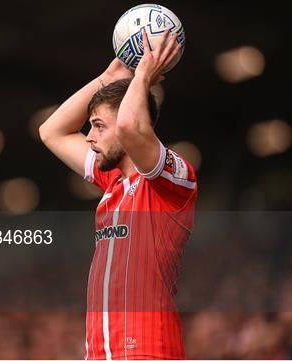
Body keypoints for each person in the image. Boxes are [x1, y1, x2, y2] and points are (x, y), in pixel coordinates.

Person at [39, 30, 197, 360]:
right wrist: (107, 78)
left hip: (149, 351)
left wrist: (144, 76)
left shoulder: (168, 183)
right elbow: (51, 131)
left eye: (98, 126)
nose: (89, 137)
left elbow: (130, 128)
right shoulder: (112, 184)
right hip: (102, 352)